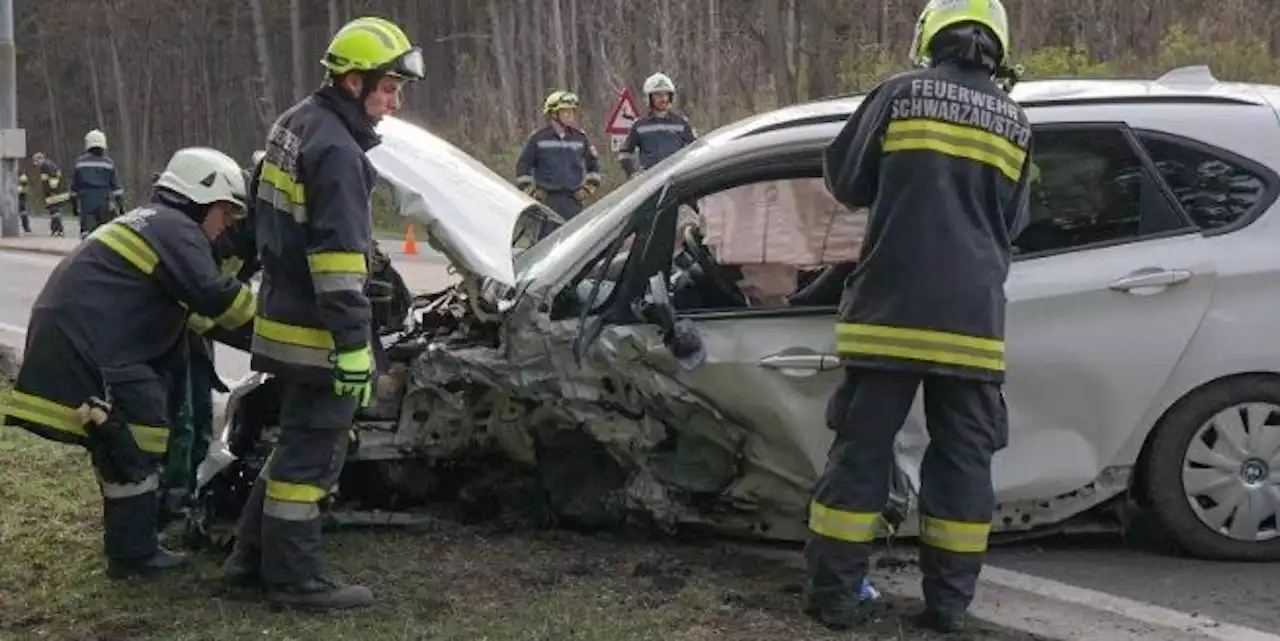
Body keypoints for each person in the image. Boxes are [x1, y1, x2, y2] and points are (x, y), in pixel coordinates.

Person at [803, 0, 1033, 633]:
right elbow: (1014, 224)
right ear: (999, 43)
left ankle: (836, 599)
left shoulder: (899, 94)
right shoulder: (1015, 122)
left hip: (888, 315)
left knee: (861, 455)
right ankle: (950, 607)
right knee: (963, 464)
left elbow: (845, 181)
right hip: (973, 324)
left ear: (928, 35)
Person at [220, 15, 424, 611]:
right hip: (320, 334)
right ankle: (295, 579)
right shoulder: (337, 151)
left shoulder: (294, 125)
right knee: (313, 458)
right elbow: (338, 265)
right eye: (388, 88)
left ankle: (249, 558)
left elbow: (261, 228)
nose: (393, 102)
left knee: (293, 447)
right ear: (354, 82)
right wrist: (356, 345)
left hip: (284, 321)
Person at [0, 146, 257, 580]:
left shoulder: (152, 223)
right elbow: (218, 298)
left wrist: (246, 336)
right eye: (226, 213)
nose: (227, 226)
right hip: (93, 346)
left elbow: (194, 315)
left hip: (81, 338)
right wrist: (284, 329)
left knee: (126, 438)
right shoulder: (177, 230)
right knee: (137, 436)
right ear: (201, 198)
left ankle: (134, 545)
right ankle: (134, 555)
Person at [515, 90, 602, 234]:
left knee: (575, 241)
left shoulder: (580, 138)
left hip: (573, 201)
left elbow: (594, 166)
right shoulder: (538, 138)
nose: (570, 116)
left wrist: (587, 190)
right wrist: (533, 193)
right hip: (547, 202)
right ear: (553, 114)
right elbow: (522, 168)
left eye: (572, 111)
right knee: (545, 244)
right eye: (565, 112)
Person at [618, 73, 698, 177]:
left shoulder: (682, 123)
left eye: (666, 94)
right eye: (658, 95)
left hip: (676, 179)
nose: (663, 99)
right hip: (650, 182)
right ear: (650, 98)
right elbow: (625, 153)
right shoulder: (639, 125)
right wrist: (633, 173)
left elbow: (696, 149)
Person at [71, 129, 126, 238]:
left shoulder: (80, 162)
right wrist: (121, 207)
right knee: (103, 233)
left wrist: (74, 206)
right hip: (103, 202)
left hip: (86, 202)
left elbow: (74, 189)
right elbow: (117, 189)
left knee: (86, 233)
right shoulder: (109, 163)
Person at [33, 151, 68, 237]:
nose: (36, 163)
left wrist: (52, 191)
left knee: (54, 211)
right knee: (53, 212)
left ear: (42, 159)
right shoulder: (47, 165)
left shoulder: (46, 166)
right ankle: (54, 229)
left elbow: (53, 178)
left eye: (37, 161)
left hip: (54, 193)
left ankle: (59, 230)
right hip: (54, 192)